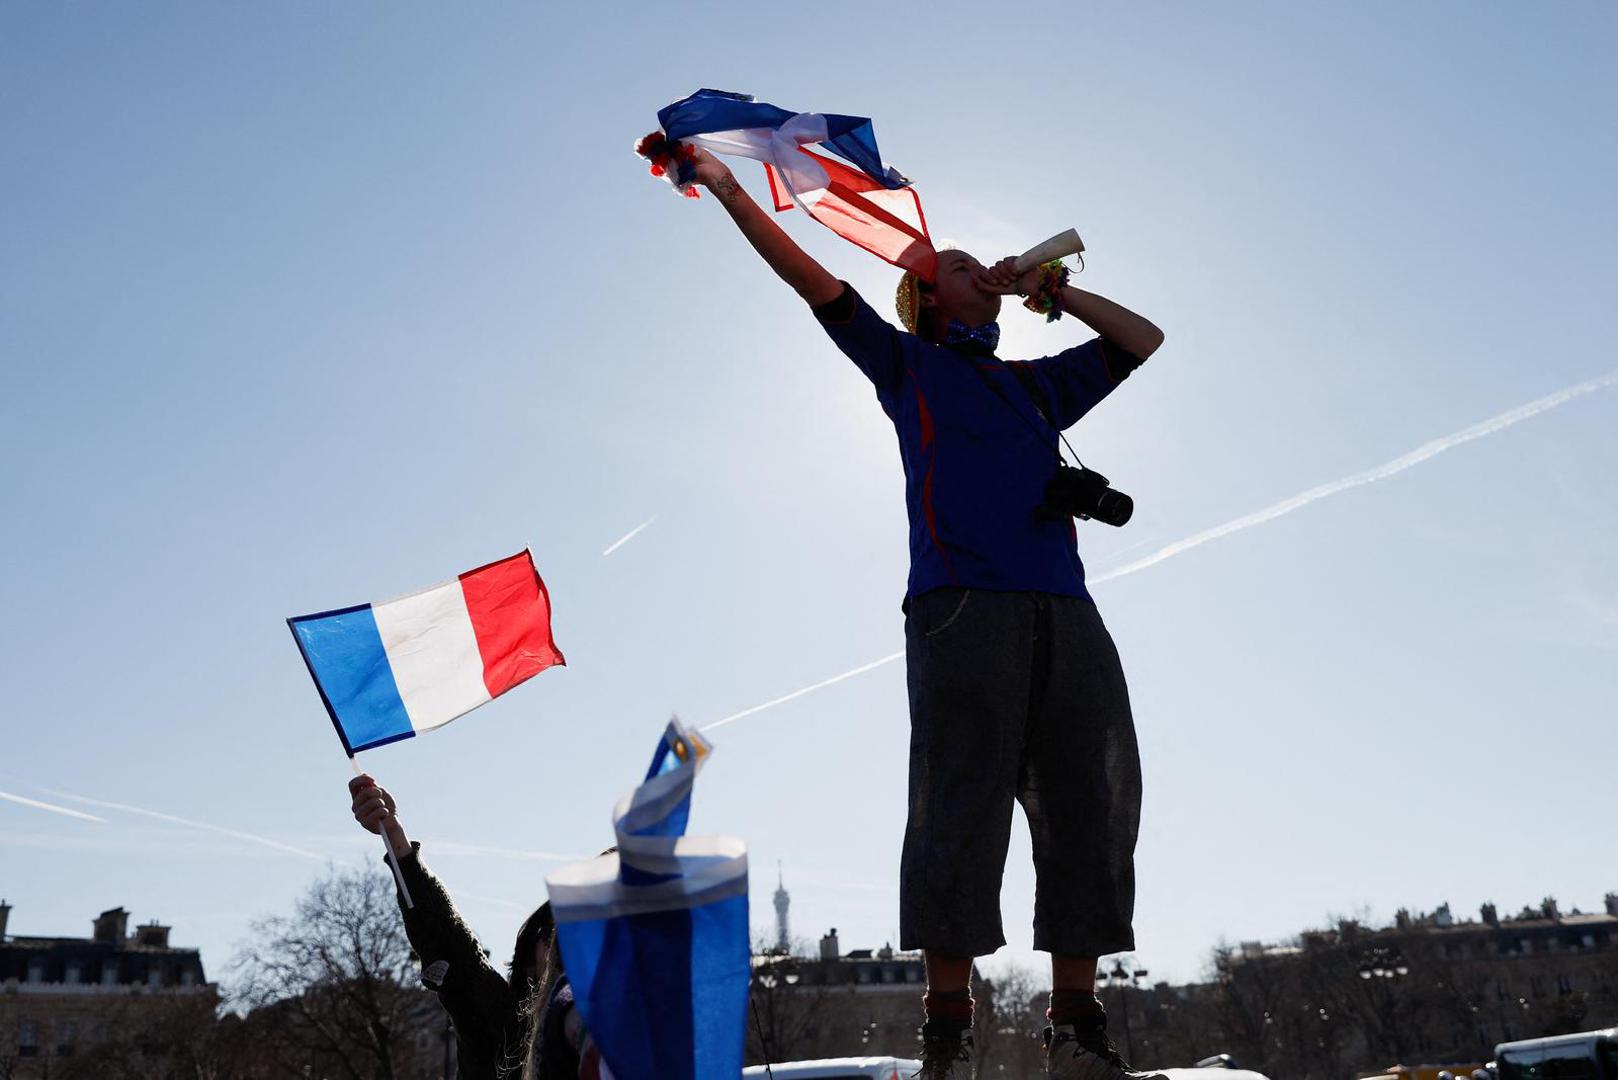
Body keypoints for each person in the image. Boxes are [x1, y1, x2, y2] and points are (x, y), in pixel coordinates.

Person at [681, 147, 1167, 1080]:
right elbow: (809, 280)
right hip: (961, 611)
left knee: (1092, 796)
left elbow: (1143, 339)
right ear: (929, 301)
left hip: (1066, 612)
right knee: (959, 806)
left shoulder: (1035, 387)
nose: (972, 267)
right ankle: (947, 1027)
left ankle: (1075, 1025)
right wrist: (733, 191)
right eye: (953, 266)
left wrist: (1051, 292)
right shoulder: (906, 366)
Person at [350, 775, 552, 1079]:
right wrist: (397, 842)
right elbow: (455, 951)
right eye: (555, 936)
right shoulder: (511, 1030)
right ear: (529, 966)